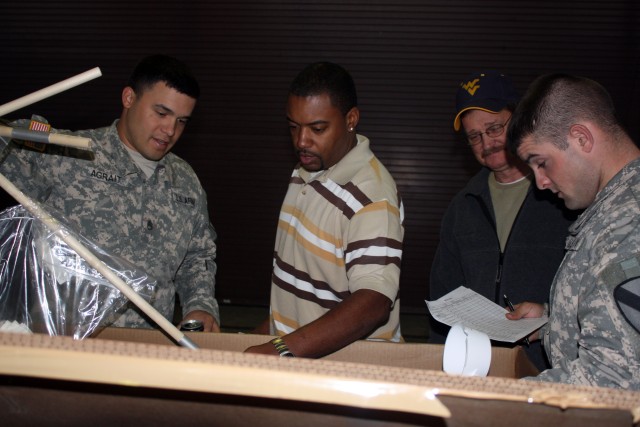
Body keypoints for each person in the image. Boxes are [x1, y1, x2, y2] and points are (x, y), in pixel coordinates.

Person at [0, 54, 220, 332]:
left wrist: (199, 305)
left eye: (182, 121)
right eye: (161, 113)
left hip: (148, 346)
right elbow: (8, 148)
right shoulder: (70, 153)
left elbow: (197, 256)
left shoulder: (185, 180)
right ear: (129, 98)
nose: (170, 130)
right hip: (67, 341)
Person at [245, 62, 404, 358]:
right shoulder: (308, 169)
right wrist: (264, 336)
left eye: (317, 128)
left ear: (351, 119)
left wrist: (280, 349)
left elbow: (374, 302)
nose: (301, 141)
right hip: (299, 358)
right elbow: (304, 289)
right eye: (293, 127)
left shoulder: (372, 198)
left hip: (347, 373)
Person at [428, 71, 576, 371]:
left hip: (550, 368)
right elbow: (442, 295)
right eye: (474, 137)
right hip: (476, 368)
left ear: (519, 119)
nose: (487, 143)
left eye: (494, 128)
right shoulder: (463, 206)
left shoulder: (561, 196)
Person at [505, 73, 640, 389]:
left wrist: (490, 400)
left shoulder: (627, 223)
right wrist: (553, 319)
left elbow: (610, 383)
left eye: (542, 163)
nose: (540, 183)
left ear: (581, 138)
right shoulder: (613, 209)